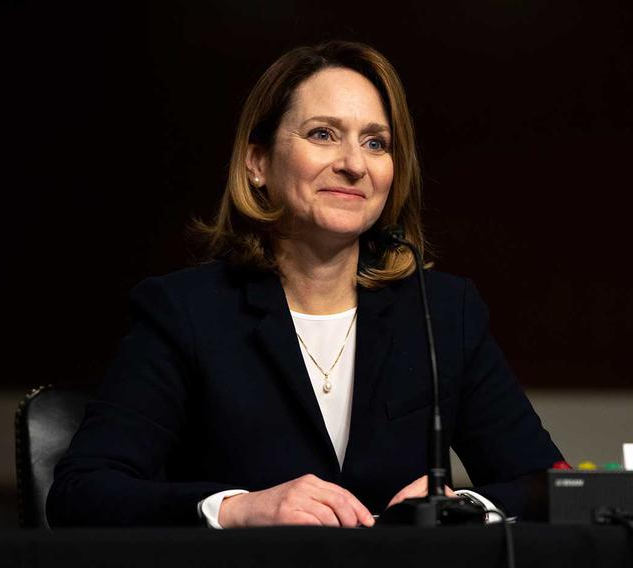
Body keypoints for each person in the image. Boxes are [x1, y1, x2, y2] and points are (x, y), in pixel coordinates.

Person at [46, 41, 563, 528]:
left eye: (376, 142)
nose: (354, 164)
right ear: (257, 163)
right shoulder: (186, 312)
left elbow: (553, 484)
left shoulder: (445, 313)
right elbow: (82, 492)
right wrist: (238, 510)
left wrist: (467, 506)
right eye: (323, 134)